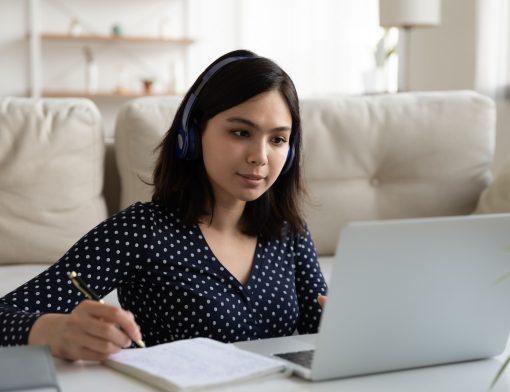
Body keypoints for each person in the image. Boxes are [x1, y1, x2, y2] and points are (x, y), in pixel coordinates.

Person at [0, 49, 327, 361]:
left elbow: (321, 331)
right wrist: (51, 330)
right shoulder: (141, 230)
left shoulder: (288, 230)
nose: (260, 156)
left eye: (278, 139)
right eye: (241, 132)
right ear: (193, 133)